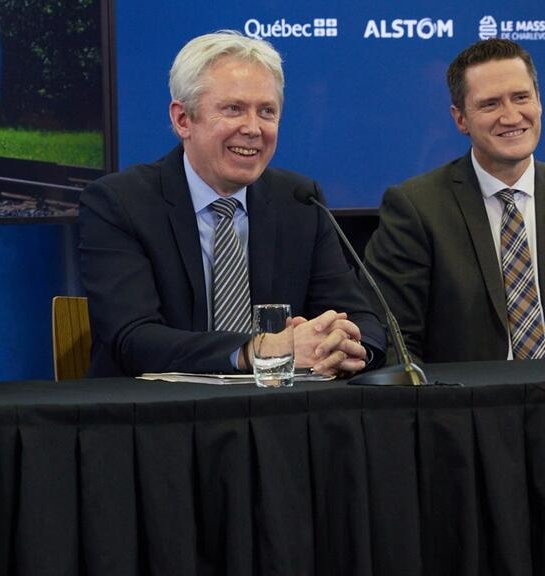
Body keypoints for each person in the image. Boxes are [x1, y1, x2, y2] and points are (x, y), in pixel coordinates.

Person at [79, 31, 386, 377]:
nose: (253, 128)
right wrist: (255, 350)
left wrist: (346, 347)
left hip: (278, 419)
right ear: (183, 119)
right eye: (233, 109)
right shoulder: (119, 203)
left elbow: (363, 321)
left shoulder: (300, 201)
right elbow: (133, 339)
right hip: (157, 418)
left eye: (267, 111)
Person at [365, 39, 545, 362]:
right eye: (490, 104)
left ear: (538, 101)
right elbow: (393, 342)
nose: (511, 116)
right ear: (460, 119)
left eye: (521, 98)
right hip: (467, 407)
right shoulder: (415, 209)